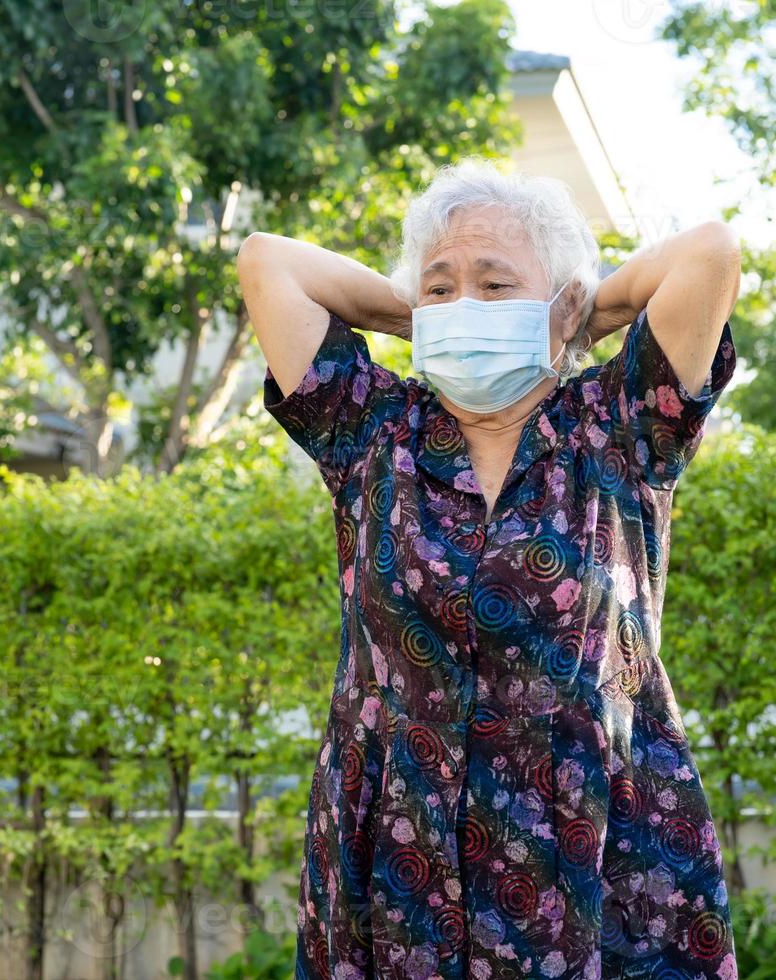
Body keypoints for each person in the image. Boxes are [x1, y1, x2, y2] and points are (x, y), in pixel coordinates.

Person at [238, 159, 740, 980]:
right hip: (400, 848)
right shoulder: (372, 429)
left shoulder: (618, 424)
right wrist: (425, 316)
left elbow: (711, 253)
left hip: (599, 847)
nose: (464, 306)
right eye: (442, 289)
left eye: (496, 284)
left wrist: (586, 314)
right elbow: (269, 262)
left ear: (561, 305)